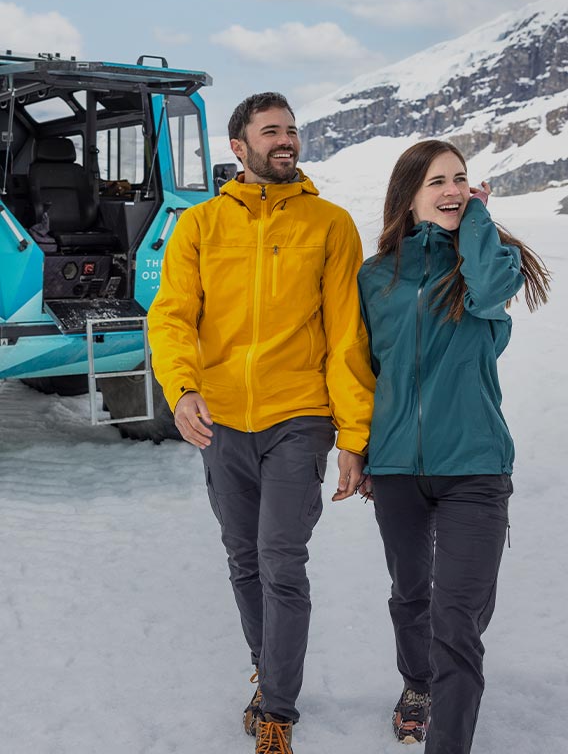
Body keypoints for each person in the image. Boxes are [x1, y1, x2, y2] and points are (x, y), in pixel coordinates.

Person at [148, 92, 375, 754]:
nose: (287, 140)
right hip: (220, 421)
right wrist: (182, 389)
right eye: (271, 131)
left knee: (281, 559)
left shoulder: (331, 225)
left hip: (297, 418)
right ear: (239, 147)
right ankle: (266, 667)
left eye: (293, 131)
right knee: (244, 557)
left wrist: (354, 438)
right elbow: (172, 317)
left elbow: (346, 340)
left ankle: (277, 710)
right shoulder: (200, 226)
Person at [357, 140, 550, 753]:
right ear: (408, 193)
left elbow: (491, 291)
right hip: (395, 469)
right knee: (411, 596)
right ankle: (418, 685)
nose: (452, 190)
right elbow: (362, 370)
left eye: (461, 180)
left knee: (457, 617)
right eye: (437, 180)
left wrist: (478, 220)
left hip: (474, 467)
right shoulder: (374, 277)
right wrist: (357, 446)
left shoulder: (487, 265)